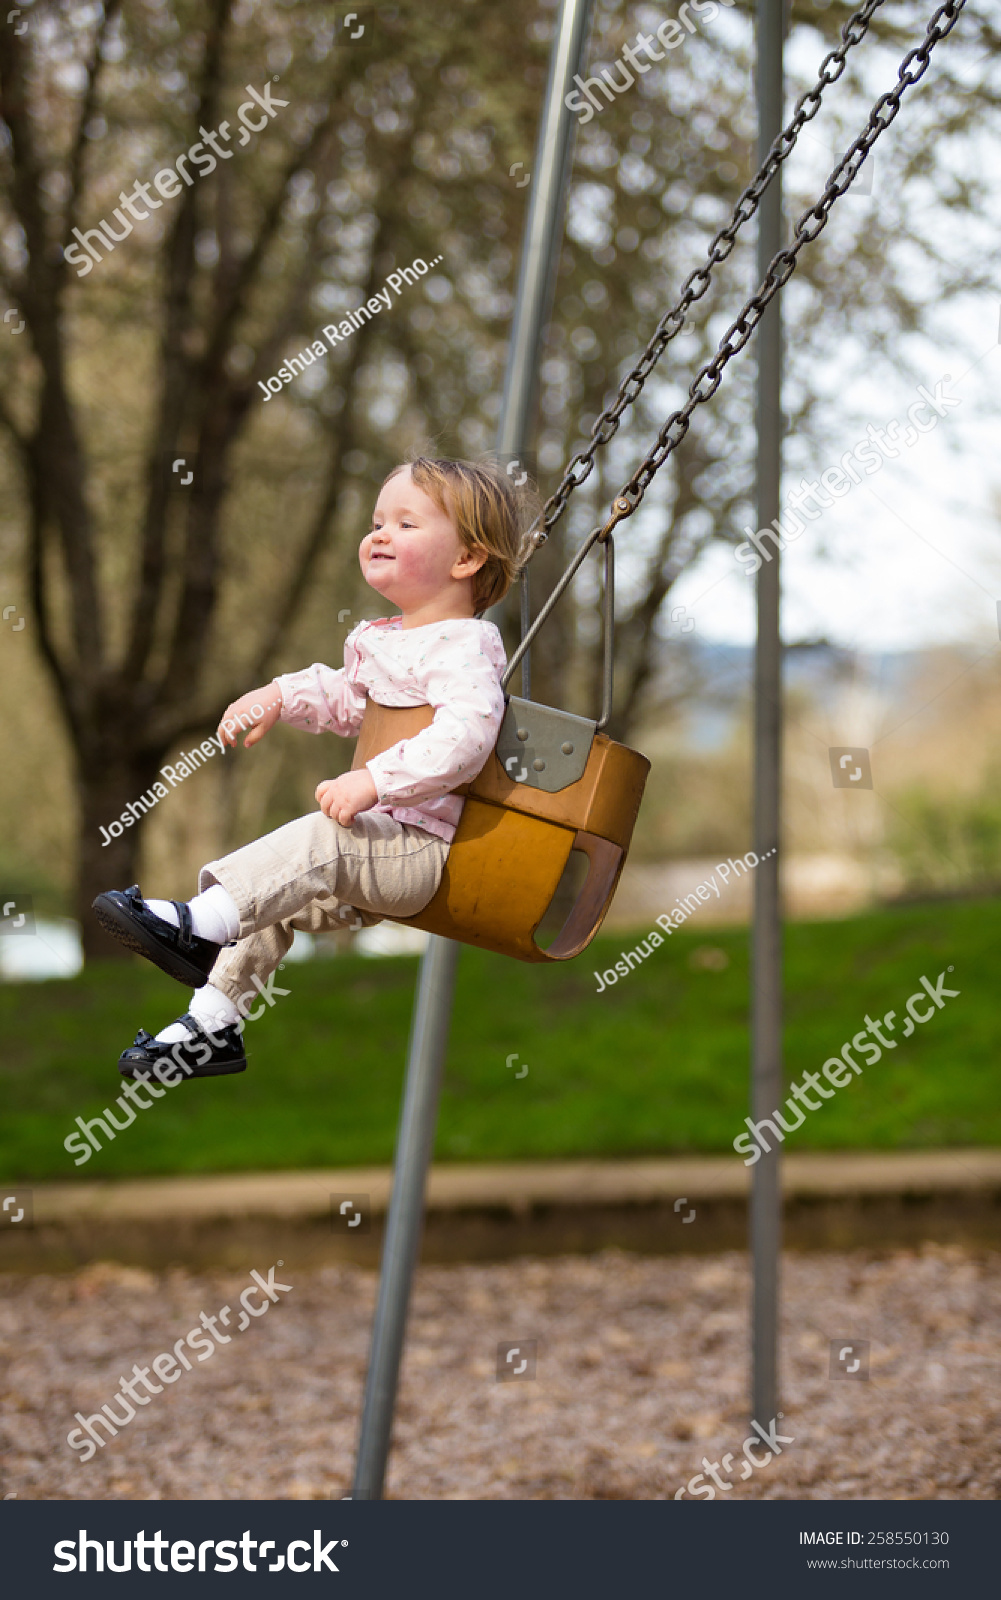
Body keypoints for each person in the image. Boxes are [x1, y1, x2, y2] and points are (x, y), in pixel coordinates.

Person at [93, 457, 525, 1080]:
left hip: (424, 851)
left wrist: (375, 781)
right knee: (271, 897)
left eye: (406, 523)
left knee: (322, 839)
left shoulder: (466, 646)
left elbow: (466, 737)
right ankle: (211, 1026)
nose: (379, 534)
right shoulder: (387, 640)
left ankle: (198, 925)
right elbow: (347, 696)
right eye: (378, 521)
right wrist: (277, 695)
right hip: (385, 849)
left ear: (465, 560)